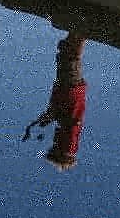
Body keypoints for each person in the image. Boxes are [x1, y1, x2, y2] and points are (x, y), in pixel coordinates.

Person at [22, 32, 87, 171]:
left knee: (66, 56)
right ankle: (82, 31)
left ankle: (76, 30)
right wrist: (52, 116)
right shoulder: (68, 145)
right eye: (53, 150)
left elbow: (59, 116)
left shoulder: (63, 139)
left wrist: (43, 120)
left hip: (68, 90)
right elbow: (71, 123)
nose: (52, 146)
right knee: (70, 59)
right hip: (71, 90)